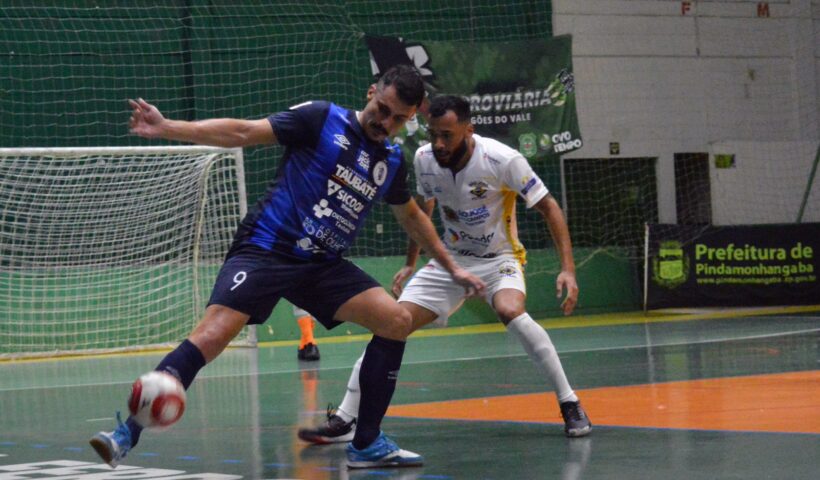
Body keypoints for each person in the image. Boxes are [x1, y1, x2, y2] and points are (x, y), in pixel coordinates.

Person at [88, 66, 485, 470]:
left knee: (396, 321)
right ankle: (125, 435)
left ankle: (366, 443)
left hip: (322, 265)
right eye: (381, 109)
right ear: (370, 92)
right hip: (267, 249)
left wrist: (451, 266)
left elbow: (412, 217)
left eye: (398, 118)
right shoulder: (320, 118)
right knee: (212, 335)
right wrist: (168, 127)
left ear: (411, 117)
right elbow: (243, 132)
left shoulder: (392, 160)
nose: (385, 122)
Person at [298, 94, 590, 446]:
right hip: (450, 263)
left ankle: (569, 402)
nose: (438, 143)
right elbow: (422, 212)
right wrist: (410, 263)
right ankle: (345, 418)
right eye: (433, 134)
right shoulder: (424, 159)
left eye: (447, 135)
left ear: (469, 130)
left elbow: (550, 207)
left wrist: (568, 269)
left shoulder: (502, 159)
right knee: (392, 323)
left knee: (510, 310)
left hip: (499, 260)